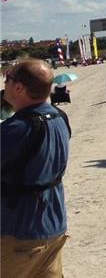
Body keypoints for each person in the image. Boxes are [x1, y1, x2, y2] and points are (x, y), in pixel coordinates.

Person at [1, 59, 71, 278]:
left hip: (20, 233)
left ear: (19, 87)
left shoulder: (16, 130)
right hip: (53, 225)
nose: (5, 83)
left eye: (8, 79)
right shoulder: (59, 117)